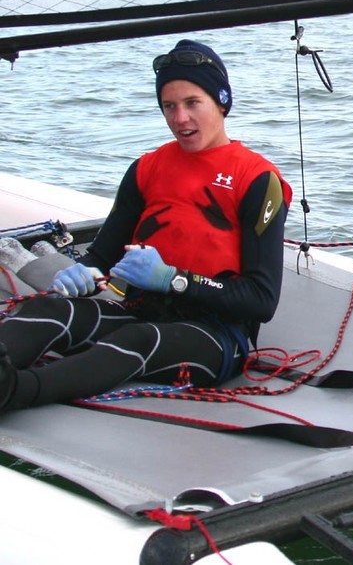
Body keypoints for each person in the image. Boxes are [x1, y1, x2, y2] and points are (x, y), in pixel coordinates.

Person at [0, 40, 292, 412]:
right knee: (52, 309)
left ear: (221, 101)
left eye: (191, 103)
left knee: (138, 340)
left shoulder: (257, 179)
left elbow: (262, 300)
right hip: (140, 309)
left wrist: (174, 278)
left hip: (217, 334)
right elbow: (102, 256)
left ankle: (14, 391)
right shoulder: (146, 168)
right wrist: (81, 272)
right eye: (169, 106)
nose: (179, 118)